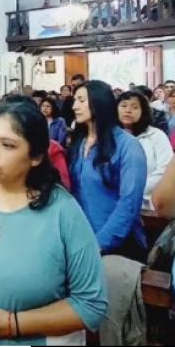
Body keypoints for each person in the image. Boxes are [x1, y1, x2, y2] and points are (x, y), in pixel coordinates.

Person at [0, 100, 107, 345]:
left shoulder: (62, 211)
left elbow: (91, 305)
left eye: (8, 145)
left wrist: (11, 324)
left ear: (36, 157)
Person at [69, 80, 148, 261]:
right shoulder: (79, 143)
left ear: (99, 102)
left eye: (81, 100)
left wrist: (99, 244)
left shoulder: (128, 146)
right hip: (82, 239)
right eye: (74, 100)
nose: (75, 106)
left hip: (117, 245)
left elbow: (129, 203)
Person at [116, 90, 173, 211]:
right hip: (114, 202)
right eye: (123, 106)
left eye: (135, 107)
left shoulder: (156, 135)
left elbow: (165, 169)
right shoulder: (109, 137)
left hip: (150, 203)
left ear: (143, 111)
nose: (128, 110)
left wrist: (133, 189)